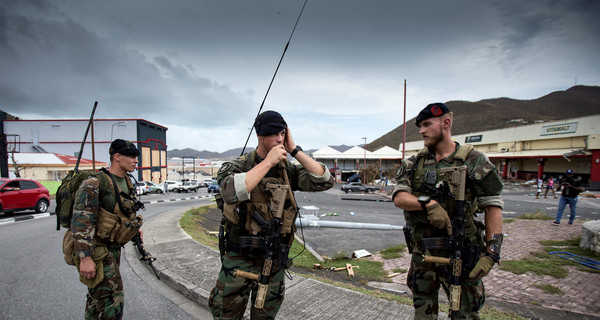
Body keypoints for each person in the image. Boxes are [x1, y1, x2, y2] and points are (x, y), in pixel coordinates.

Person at [208, 110, 334, 320]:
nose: (279, 138)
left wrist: (294, 150)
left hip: (273, 260)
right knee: (226, 315)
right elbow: (229, 192)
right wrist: (268, 162)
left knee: (265, 316)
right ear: (259, 135)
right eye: (274, 133)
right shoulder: (238, 165)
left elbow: (324, 181)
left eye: (282, 133)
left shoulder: (287, 170)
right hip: (239, 258)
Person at [392, 103, 504, 319]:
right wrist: (429, 204)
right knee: (423, 311)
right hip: (424, 253)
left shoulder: (475, 161)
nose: (421, 131)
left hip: (461, 252)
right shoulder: (414, 164)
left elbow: (493, 205)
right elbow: (399, 197)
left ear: (446, 123)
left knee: (465, 313)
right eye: (419, 126)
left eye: (426, 124)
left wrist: (492, 253)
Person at [71, 139, 144, 319]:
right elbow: (81, 222)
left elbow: (125, 211)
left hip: (113, 249)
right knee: (113, 299)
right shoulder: (95, 183)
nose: (136, 161)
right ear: (117, 157)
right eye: (132, 157)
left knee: (98, 299)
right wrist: (85, 258)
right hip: (97, 250)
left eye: (137, 157)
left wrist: (134, 231)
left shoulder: (126, 181)